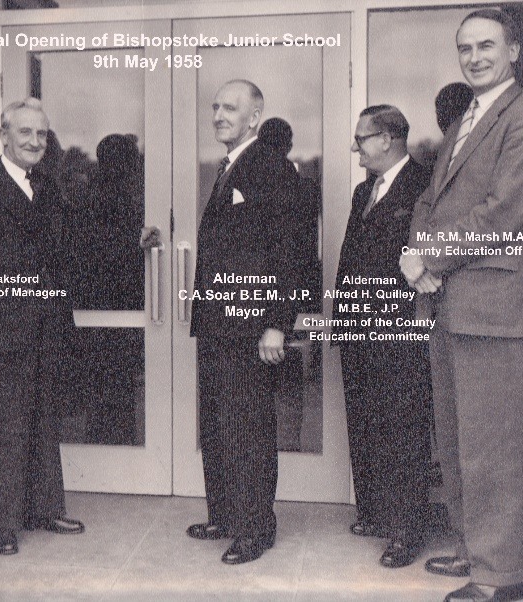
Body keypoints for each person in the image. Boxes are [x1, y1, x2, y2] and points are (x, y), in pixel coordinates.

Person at [400, 9, 523, 602]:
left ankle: (500, 575)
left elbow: (504, 211)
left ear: (513, 50)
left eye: (487, 46)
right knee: (459, 443)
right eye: (465, 48)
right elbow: (432, 202)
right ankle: (475, 551)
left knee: (492, 446)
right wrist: (417, 253)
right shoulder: (466, 118)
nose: (475, 57)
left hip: (492, 307)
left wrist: (428, 259)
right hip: (453, 303)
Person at [0, 97, 84, 557]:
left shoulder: (48, 188)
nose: (34, 141)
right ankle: (3, 524)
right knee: (4, 427)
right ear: (3, 136)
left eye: (42, 134)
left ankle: (44, 508)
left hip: (47, 329)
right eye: (25, 133)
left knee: (44, 419)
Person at [177, 79, 300, 564]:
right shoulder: (232, 167)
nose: (219, 115)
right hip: (218, 324)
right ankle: (226, 515)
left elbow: (290, 251)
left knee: (246, 426)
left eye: (230, 108)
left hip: (250, 327)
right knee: (219, 425)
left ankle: (254, 528)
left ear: (255, 117)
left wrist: (276, 323)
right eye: (215, 107)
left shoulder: (270, 167)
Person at [334, 105, 433, 569]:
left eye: (362, 138)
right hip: (361, 330)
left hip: (400, 330)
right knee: (367, 423)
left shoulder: (424, 186)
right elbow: (351, 258)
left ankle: (405, 532)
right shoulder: (363, 191)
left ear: (390, 138)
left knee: (402, 430)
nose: (357, 148)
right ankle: (374, 513)